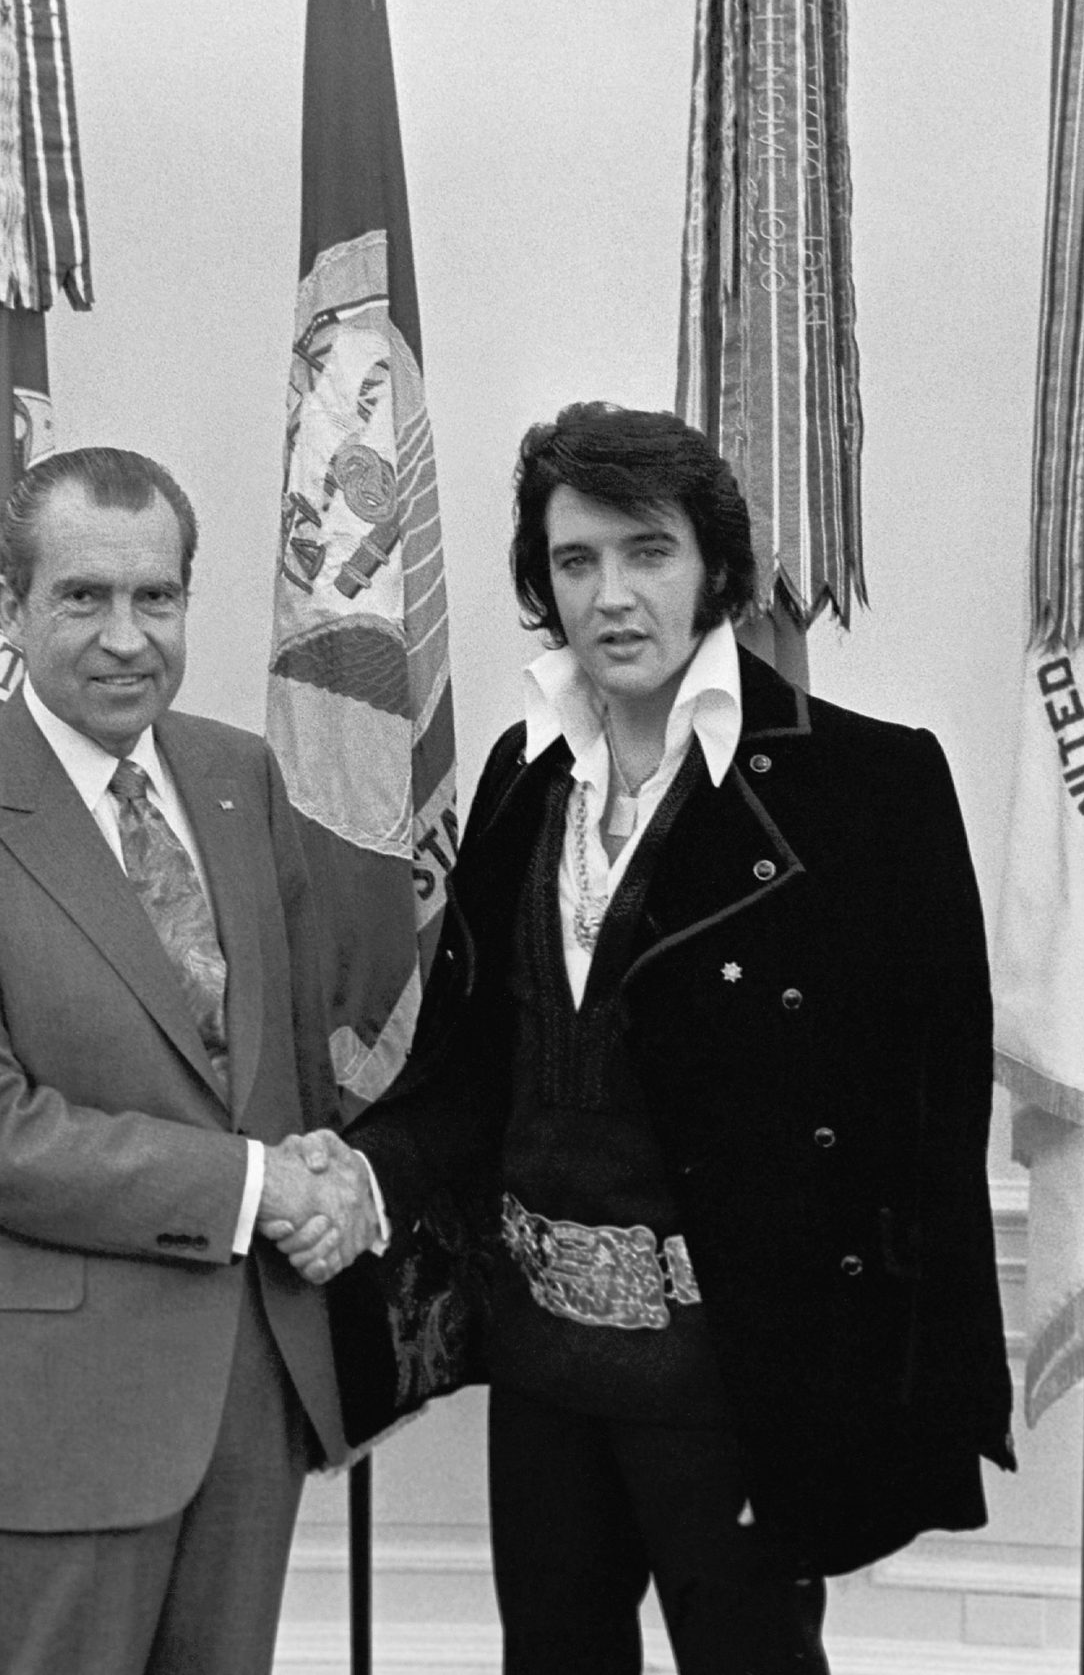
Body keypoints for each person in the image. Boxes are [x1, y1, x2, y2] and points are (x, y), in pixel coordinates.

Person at [290, 404, 1015, 1673]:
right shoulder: (522, 776)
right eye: (577, 562)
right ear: (543, 582)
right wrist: (357, 1171)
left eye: (647, 552)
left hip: (740, 1372)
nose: (611, 596)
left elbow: (929, 1125)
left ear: (714, 568)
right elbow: (473, 1075)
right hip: (543, 1362)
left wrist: (894, 1391)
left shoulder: (871, 788)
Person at [0, 446, 380, 1675]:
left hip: (252, 1387)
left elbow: (287, 1062)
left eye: (157, 598)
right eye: (83, 597)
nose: (125, 637)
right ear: (10, 604)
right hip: (57, 1411)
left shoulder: (240, 774)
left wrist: (332, 1170)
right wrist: (257, 1188)